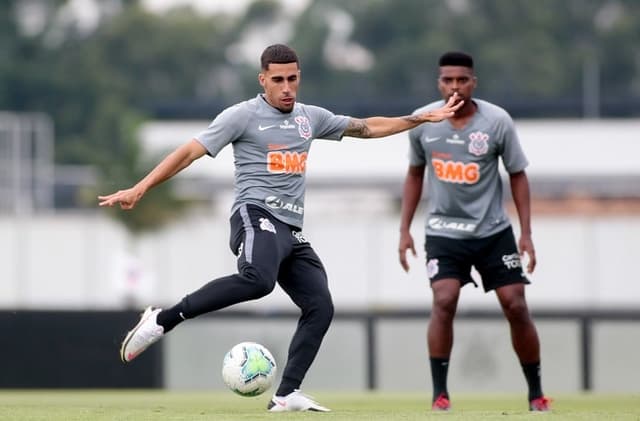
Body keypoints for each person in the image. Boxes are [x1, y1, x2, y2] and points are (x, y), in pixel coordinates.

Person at [99, 44, 462, 413]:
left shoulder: (310, 117)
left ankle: (286, 394)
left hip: (291, 229)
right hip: (254, 214)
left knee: (320, 306)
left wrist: (418, 119)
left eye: (292, 79)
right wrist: (140, 187)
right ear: (263, 80)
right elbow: (189, 151)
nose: (286, 87)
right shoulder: (241, 116)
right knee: (258, 279)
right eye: (278, 80)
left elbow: (367, 127)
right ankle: (162, 320)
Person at [397, 51, 551, 412]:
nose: (454, 86)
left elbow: (518, 174)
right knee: (444, 300)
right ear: (439, 83)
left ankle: (536, 393)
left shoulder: (496, 121)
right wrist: (404, 230)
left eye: (461, 80)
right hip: (443, 233)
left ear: (473, 83)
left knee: (515, 304)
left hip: (492, 231)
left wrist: (526, 233)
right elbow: (415, 174)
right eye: (447, 80)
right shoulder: (426, 121)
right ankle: (440, 394)